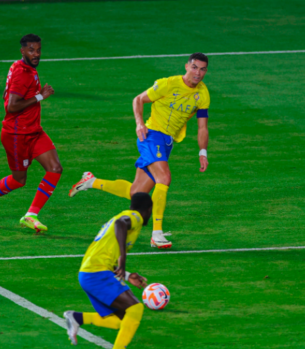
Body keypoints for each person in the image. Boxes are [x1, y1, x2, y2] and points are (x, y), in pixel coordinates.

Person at [69, 53, 211, 249]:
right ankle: (157, 234)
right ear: (186, 66)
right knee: (164, 178)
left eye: (202, 69)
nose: (198, 73)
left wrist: (202, 152)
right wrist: (139, 124)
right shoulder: (168, 84)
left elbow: (203, 126)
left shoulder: (203, 94)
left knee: (136, 192)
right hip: (151, 136)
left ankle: (91, 181)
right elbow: (138, 99)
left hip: (167, 143)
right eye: (195, 67)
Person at [0, 34, 61, 233]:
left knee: (55, 168)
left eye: (38, 50)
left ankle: (31, 215)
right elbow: (12, 106)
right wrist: (41, 96)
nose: (36, 54)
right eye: (31, 50)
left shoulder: (21, 67)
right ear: (22, 51)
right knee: (19, 180)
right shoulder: (22, 73)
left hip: (34, 131)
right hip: (16, 135)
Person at [63, 192, 153, 349]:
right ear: (149, 209)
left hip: (89, 272)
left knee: (124, 320)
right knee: (136, 308)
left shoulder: (121, 215)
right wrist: (123, 258)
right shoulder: (135, 217)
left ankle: (77, 317)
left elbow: (106, 254)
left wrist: (126, 275)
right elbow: (121, 224)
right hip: (96, 272)